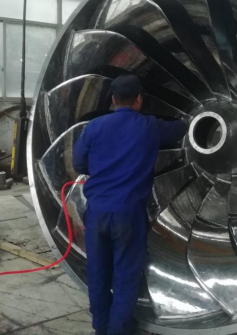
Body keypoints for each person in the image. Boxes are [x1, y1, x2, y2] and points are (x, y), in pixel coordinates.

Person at [73, 74, 187, 335]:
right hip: (128, 215)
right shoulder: (149, 126)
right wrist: (185, 121)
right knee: (125, 273)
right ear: (139, 99)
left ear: (113, 100)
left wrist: (104, 167)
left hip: (97, 213)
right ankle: (119, 329)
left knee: (98, 271)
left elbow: (79, 163)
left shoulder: (94, 126)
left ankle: (101, 327)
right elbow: (179, 129)